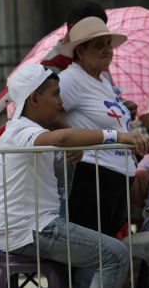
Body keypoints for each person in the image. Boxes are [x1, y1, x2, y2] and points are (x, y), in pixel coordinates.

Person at [0, 63, 149, 288]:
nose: (61, 103)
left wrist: (67, 159)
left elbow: (52, 168)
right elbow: (63, 138)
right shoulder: (22, 129)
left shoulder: (30, 132)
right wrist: (119, 136)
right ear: (33, 99)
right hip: (31, 230)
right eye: (54, 95)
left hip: (33, 227)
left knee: (100, 245)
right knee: (115, 254)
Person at [58, 16, 137, 238]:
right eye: (98, 45)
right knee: (94, 254)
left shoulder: (103, 81)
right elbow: (43, 113)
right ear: (80, 52)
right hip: (91, 177)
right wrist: (67, 139)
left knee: (105, 252)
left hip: (115, 178)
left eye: (108, 44)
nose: (107, 50)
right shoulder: (70, 79)